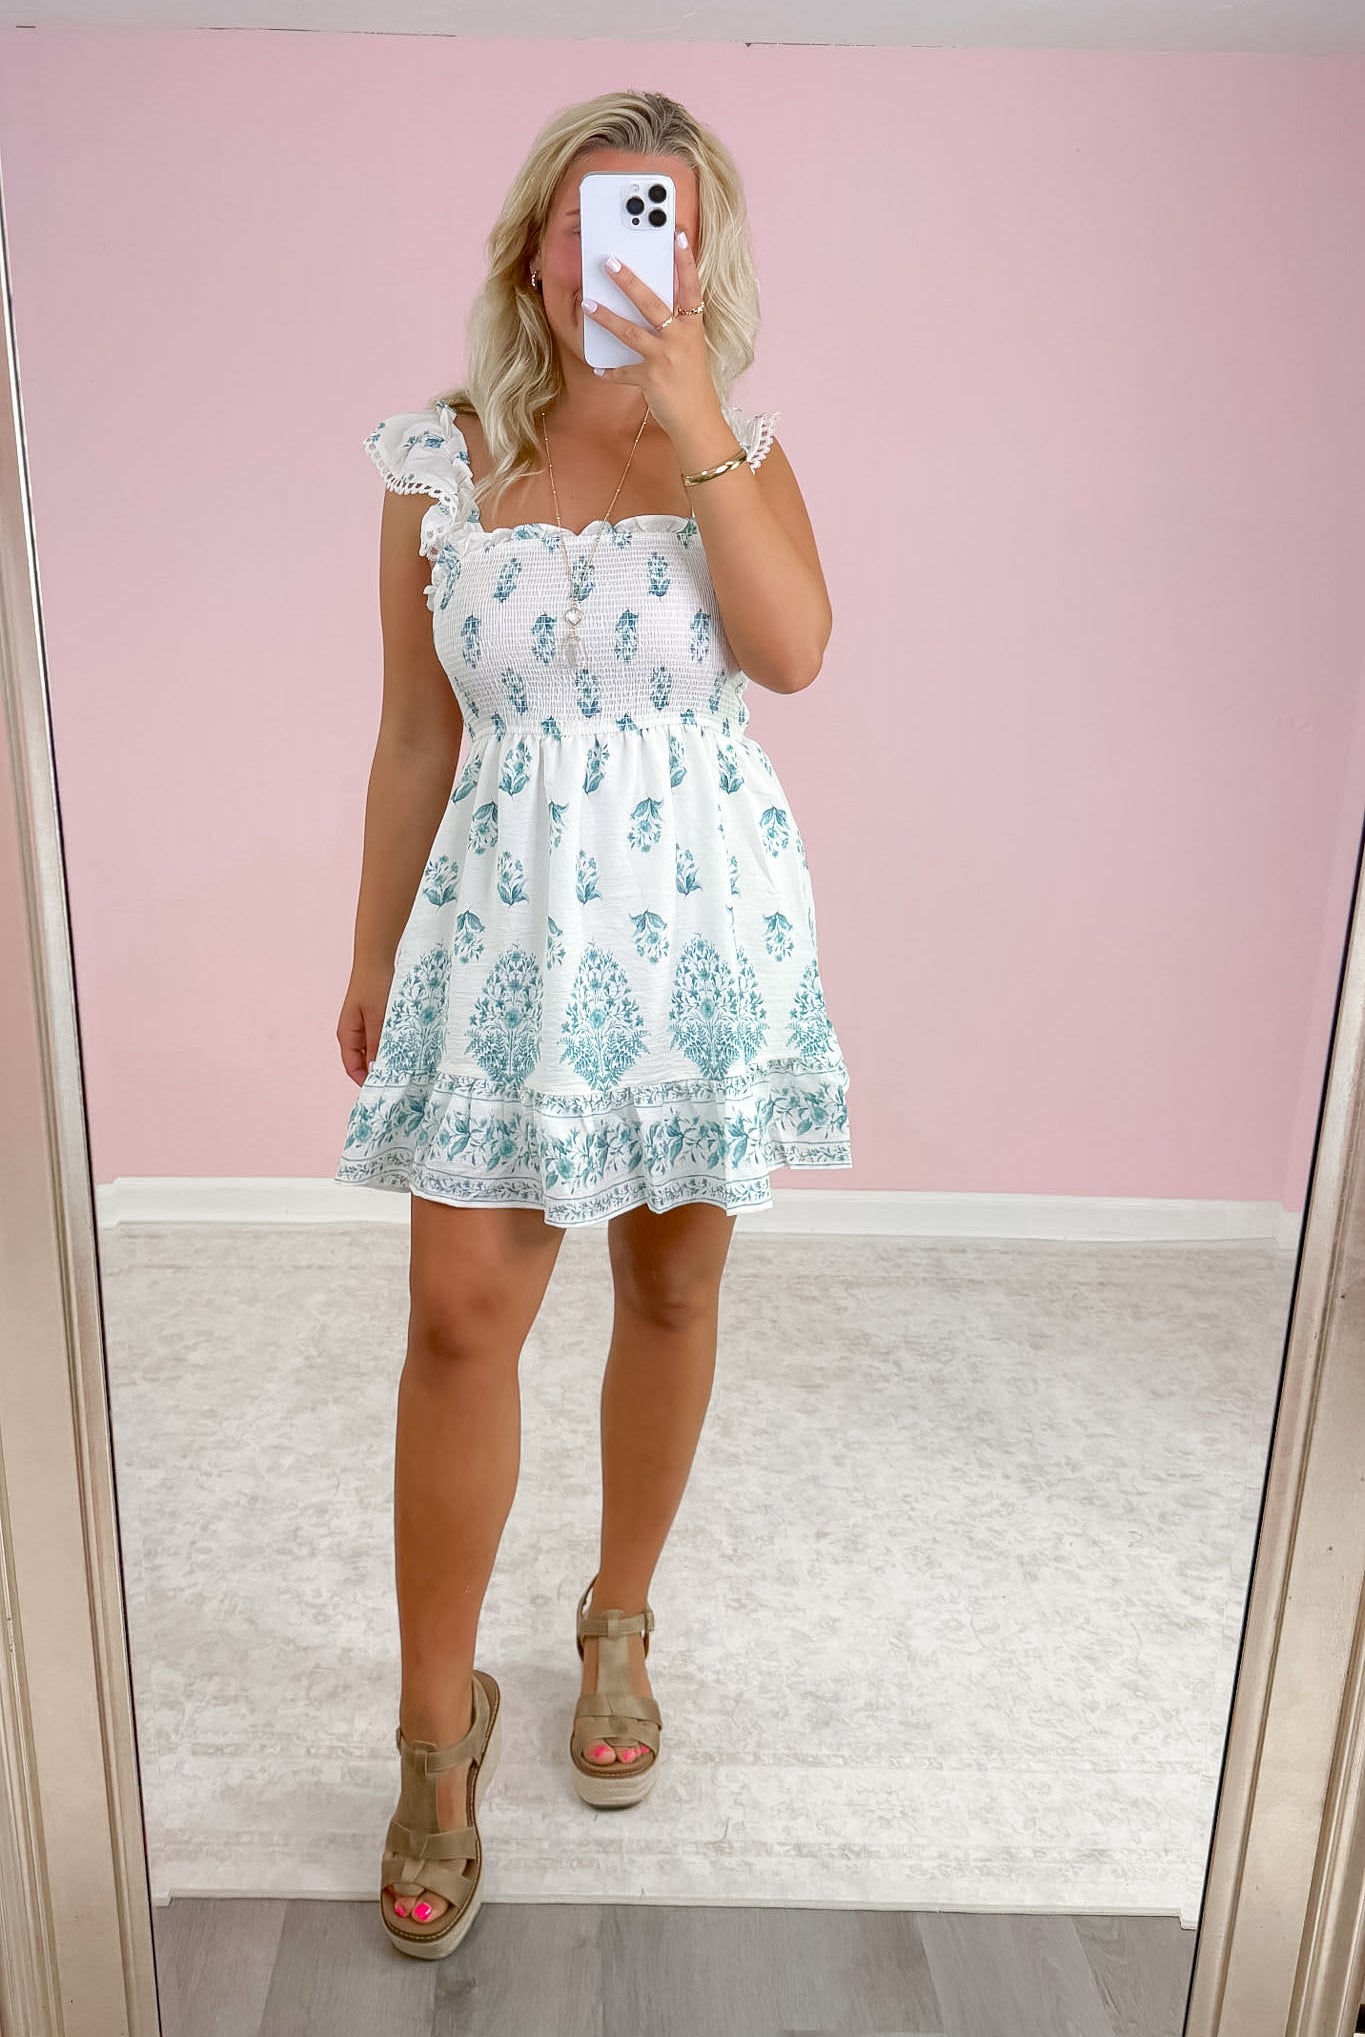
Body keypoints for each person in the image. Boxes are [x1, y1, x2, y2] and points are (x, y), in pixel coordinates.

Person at [333, 88, 852, 1959]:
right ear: (531, 247)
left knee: (670, 1290)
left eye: (657, 221)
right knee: (456, 1314)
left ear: (697, 259)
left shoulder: (739, 444)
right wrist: (373, 953)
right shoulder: (442, 457)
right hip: (503, 946)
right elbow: (414, 735)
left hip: (697, 937)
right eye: (585, 216)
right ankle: (434, 1730)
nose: (615, 251)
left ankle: (618, 1615)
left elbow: (792, 652)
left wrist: (692, 412)